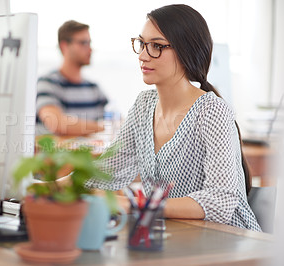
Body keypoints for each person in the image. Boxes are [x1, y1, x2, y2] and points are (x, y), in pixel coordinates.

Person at [85, 4, 261, 231]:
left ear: (186, 51)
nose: (142, 55)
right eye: (141, 44)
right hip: (175, 239)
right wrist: (47, 185)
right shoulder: (143, 106)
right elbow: (106, 173)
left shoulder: (212, 111)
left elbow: (220, 203)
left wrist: (137, 205)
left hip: (230, 243)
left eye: (156, 46)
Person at [36, 20, 108, 136]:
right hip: (56, 153)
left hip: (89, 153)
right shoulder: (48, 83)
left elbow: (115, 120)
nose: (90, 49)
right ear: (64, 46)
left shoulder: (94, 88)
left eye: (90, 43)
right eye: (84, 43)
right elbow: (56, 123)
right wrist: (103, 127)